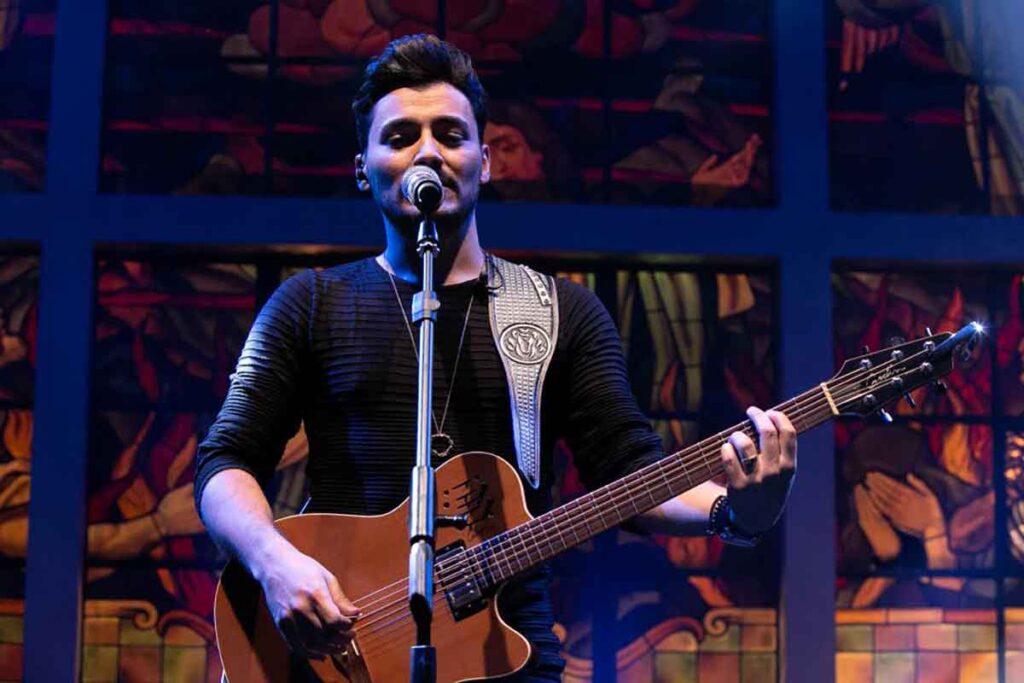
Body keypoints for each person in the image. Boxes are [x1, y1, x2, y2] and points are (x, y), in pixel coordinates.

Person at [193, 34, 796, 681]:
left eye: (450, 134)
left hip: (509, 658)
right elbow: (225, 461)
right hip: (335, 655)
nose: (429, 151)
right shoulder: (309, 303)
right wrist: (274, 562)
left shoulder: (561, 311)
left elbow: (630, 473)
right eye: (401, 136)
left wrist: (737, 512)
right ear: (363, 167)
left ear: (485, 161)